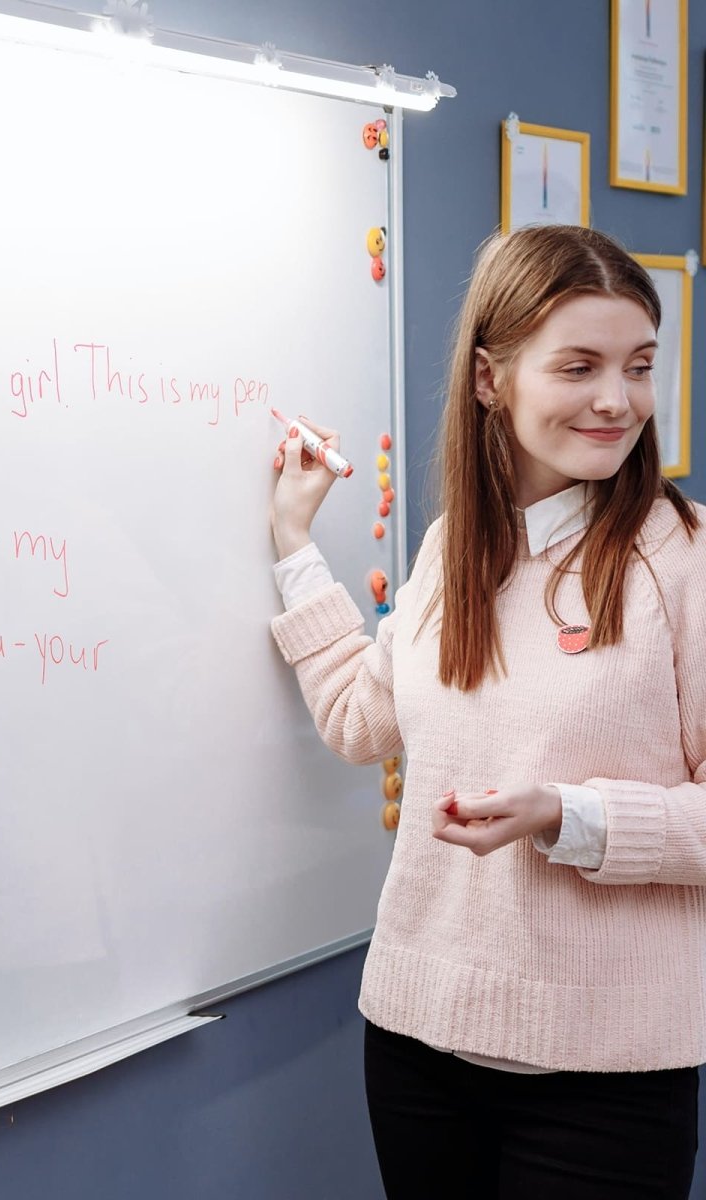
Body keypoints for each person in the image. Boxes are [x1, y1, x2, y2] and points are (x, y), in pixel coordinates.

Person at [268, 224, 704, 1199]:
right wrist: (295, 545)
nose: (617, 400)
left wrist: (568, 814)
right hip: (419, 1041)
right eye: (579, 366)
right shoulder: (449, 550)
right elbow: (357, 718)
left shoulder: (686, 560)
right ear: (488, 380)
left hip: (610, 1076)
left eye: (639, 366)